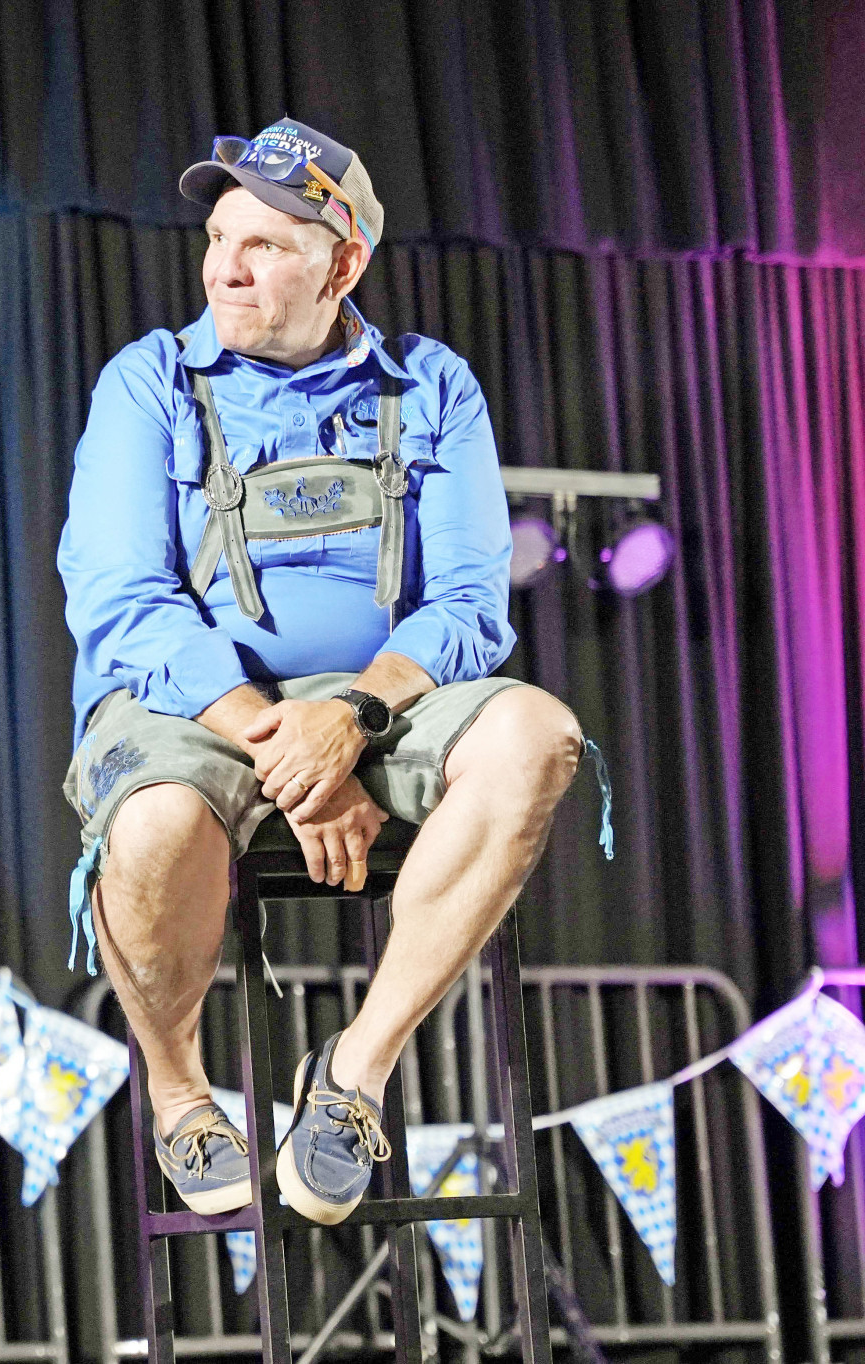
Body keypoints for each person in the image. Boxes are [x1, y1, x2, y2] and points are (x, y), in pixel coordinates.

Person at [57, 119, 589, 1225]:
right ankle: (177, 1088)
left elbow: (467, 603)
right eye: (216, 237)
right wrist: (287, 744)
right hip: (191, 709)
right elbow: (121, 599)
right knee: (152, 819)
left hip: (380, 706)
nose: (225, 266)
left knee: (536, 732)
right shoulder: (149, 381)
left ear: (342, 262)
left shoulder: (429, 384)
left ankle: (352, 1071)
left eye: (264, 243)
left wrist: (348, 715)